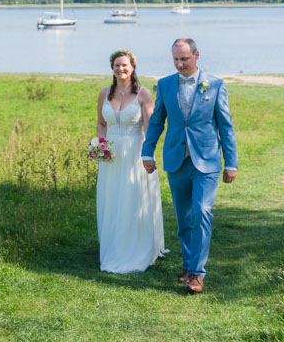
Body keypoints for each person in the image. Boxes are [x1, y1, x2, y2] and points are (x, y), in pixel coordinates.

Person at [141, 38, 238, 294]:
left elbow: (225, 126)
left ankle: (197, 273)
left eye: (184, 59)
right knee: (184, 217)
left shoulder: (215, 84)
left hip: (206, 160)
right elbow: (156, 122)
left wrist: (232, 163)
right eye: (175, 59)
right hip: (176, 159)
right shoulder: (165, 84)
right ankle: (187, 264)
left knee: (202, 212)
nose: (179, 64)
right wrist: (147, 151)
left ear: (196, 55)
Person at [95, 48, 167, 273]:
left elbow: (150, 127)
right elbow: (101, 123)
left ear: (133, 67)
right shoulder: (104, 93)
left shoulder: (144, 94)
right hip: (111, 156)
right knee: (112, 200)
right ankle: (114, 245)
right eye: (117, 65)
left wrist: (148, 154)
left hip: (135, 151)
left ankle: (137, 248)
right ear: (112, 68)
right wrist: (99, 144)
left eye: (124, 65)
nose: (121, 68)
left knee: (132, 198)